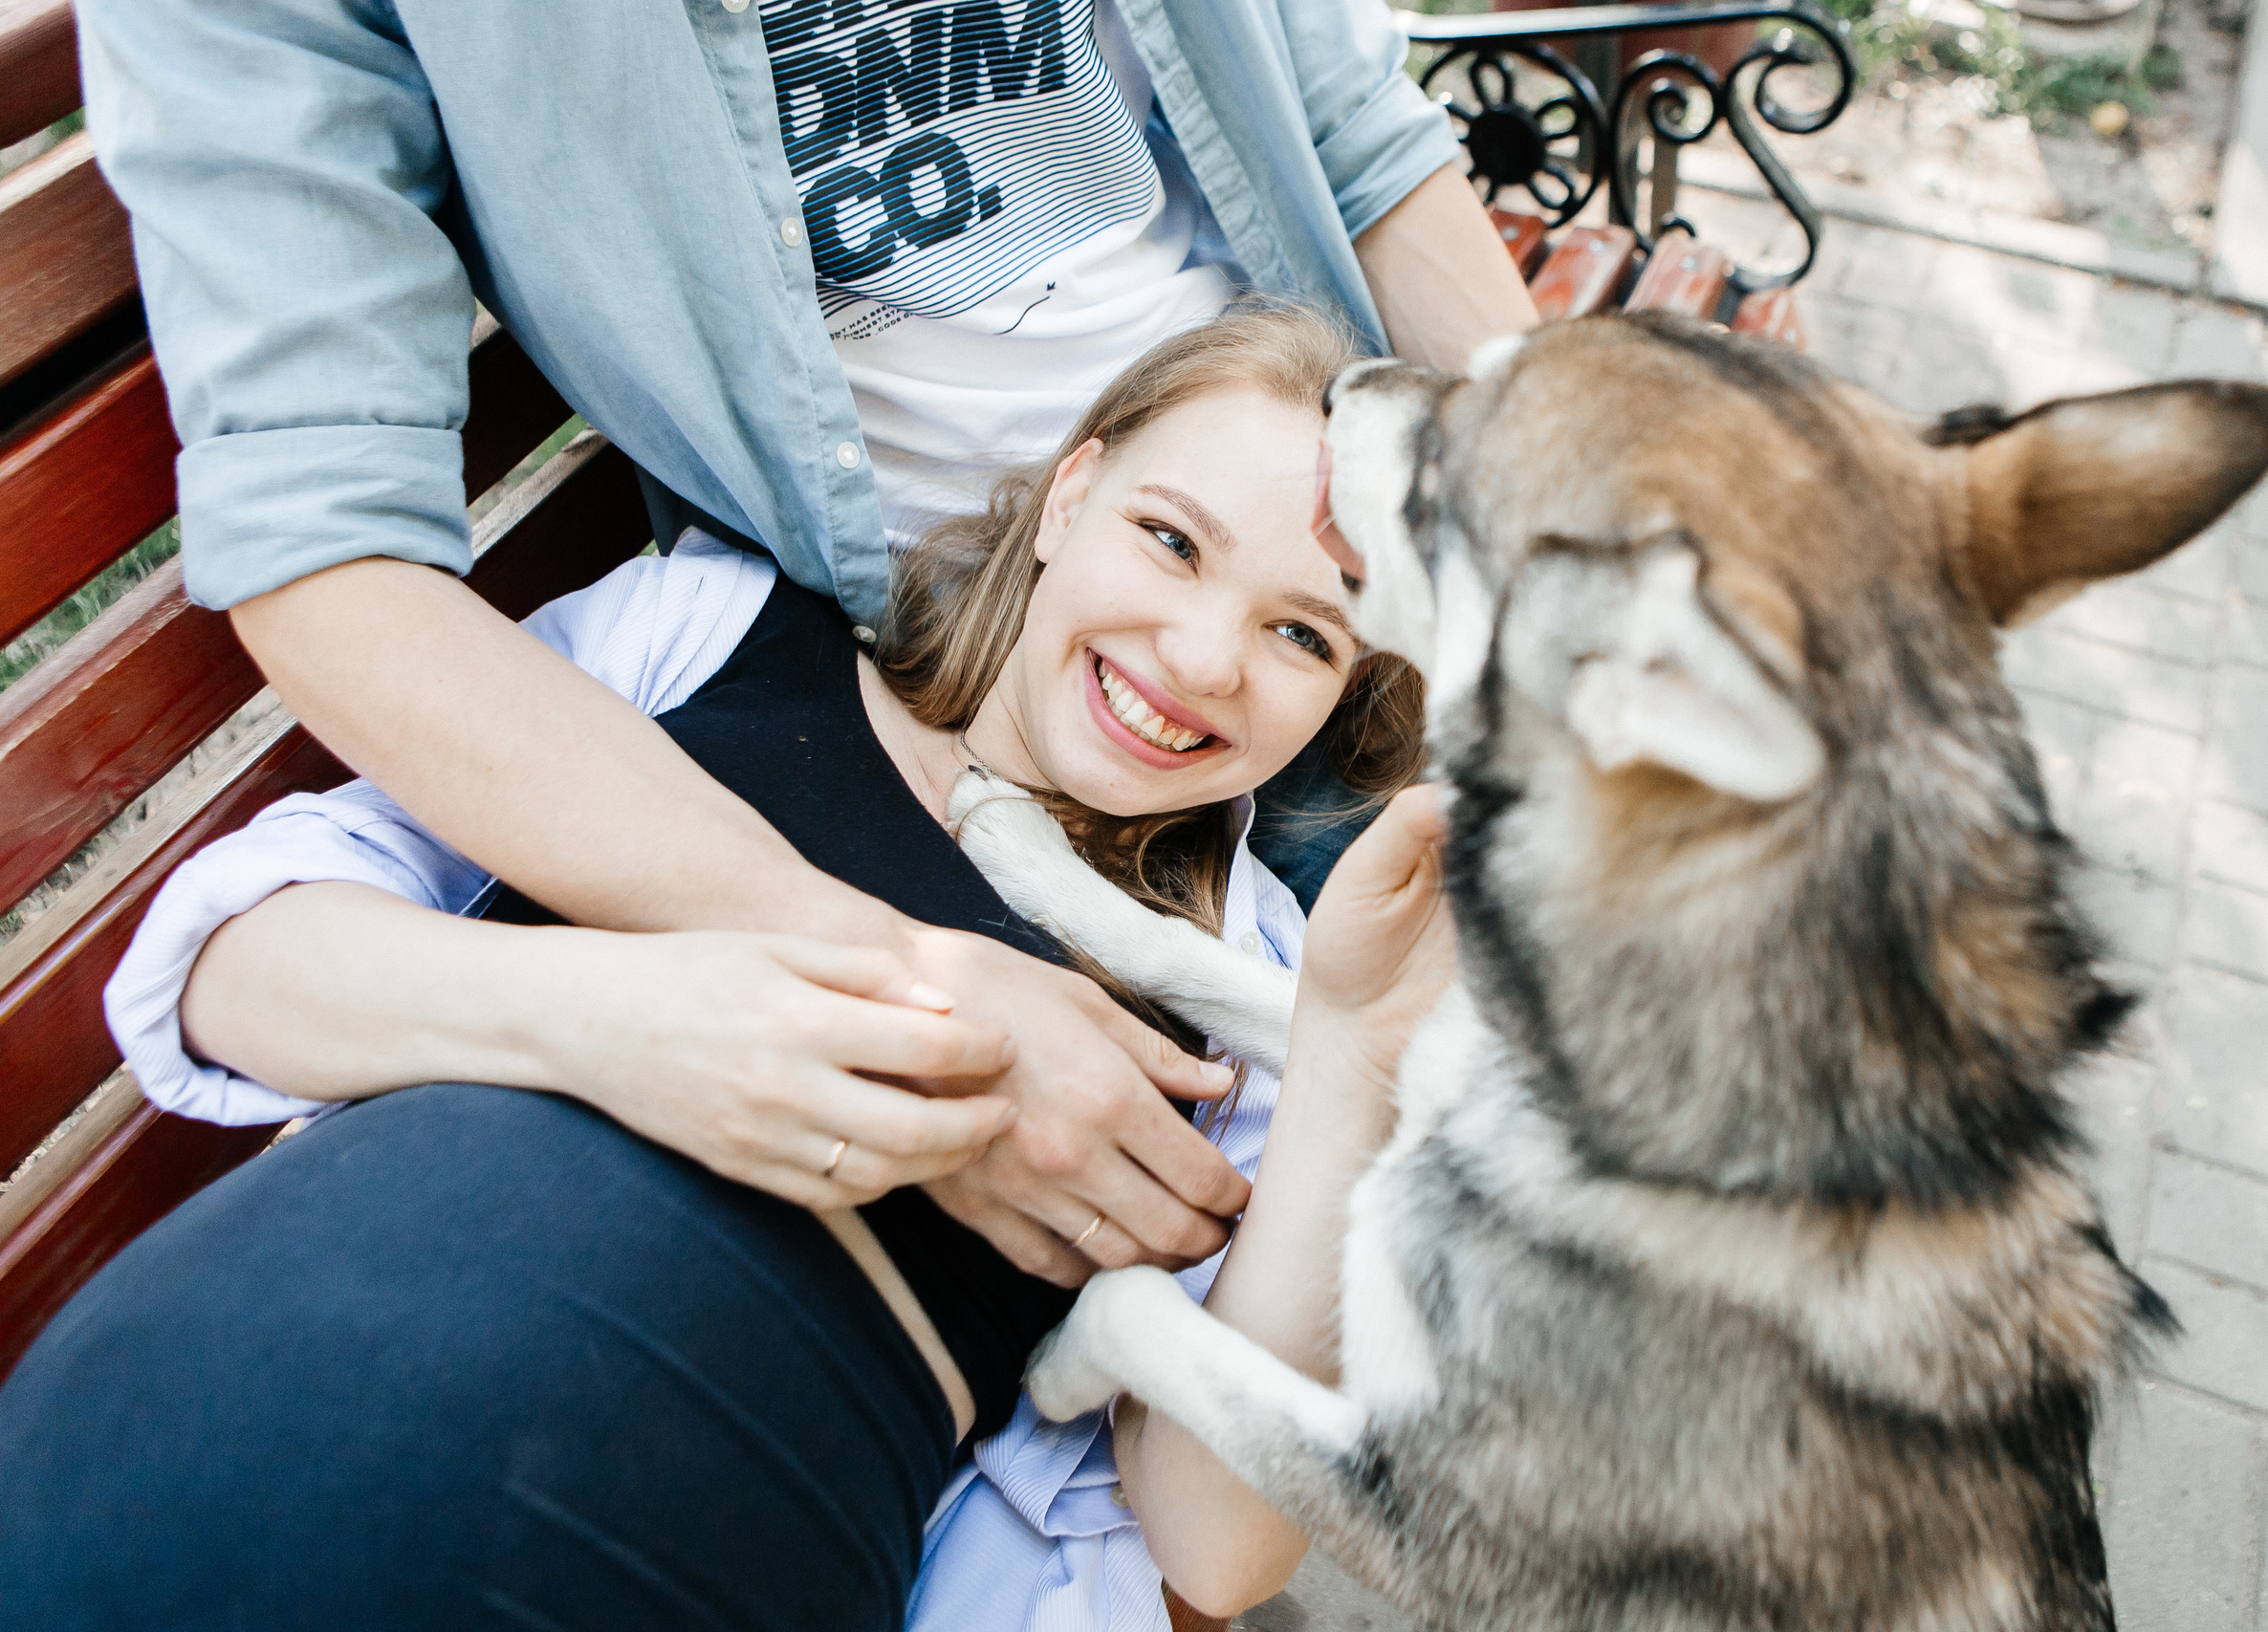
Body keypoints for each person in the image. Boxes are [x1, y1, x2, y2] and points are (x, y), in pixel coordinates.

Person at [0, 306, 1458, 1632]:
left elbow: (1211, 1549)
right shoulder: (714, 633)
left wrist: (1353, 1055)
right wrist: (641, 1022)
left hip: (686, 1532)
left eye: (1300, 632)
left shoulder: (1256, 983)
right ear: (1069, 495)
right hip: (244, 1371)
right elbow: (229, 972)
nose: (1204, 656)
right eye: (1171, 538)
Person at [76, 0, 1537, 1287]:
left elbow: (1358, 139)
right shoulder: (691, 644)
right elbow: (326, 544)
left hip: (1340, 563)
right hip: (929, 678)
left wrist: (1565, 569)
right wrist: (902, 980)